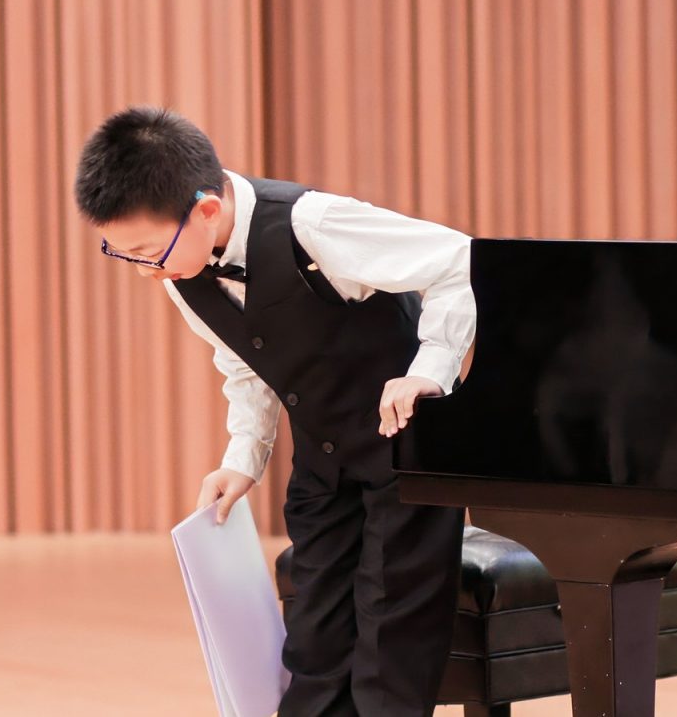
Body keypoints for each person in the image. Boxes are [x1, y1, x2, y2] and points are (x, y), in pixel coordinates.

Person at [73, 106, 476, 716]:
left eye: (148, 253)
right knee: (314, 642)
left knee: (391, 643)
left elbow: (459, 261)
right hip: (322, 465)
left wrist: (430, 370)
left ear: (206, 210)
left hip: (408, 457)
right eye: (122, 254)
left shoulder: (312, 223)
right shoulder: (184, 269)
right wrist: (244, 457)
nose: (146, 272)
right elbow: (243, 360)